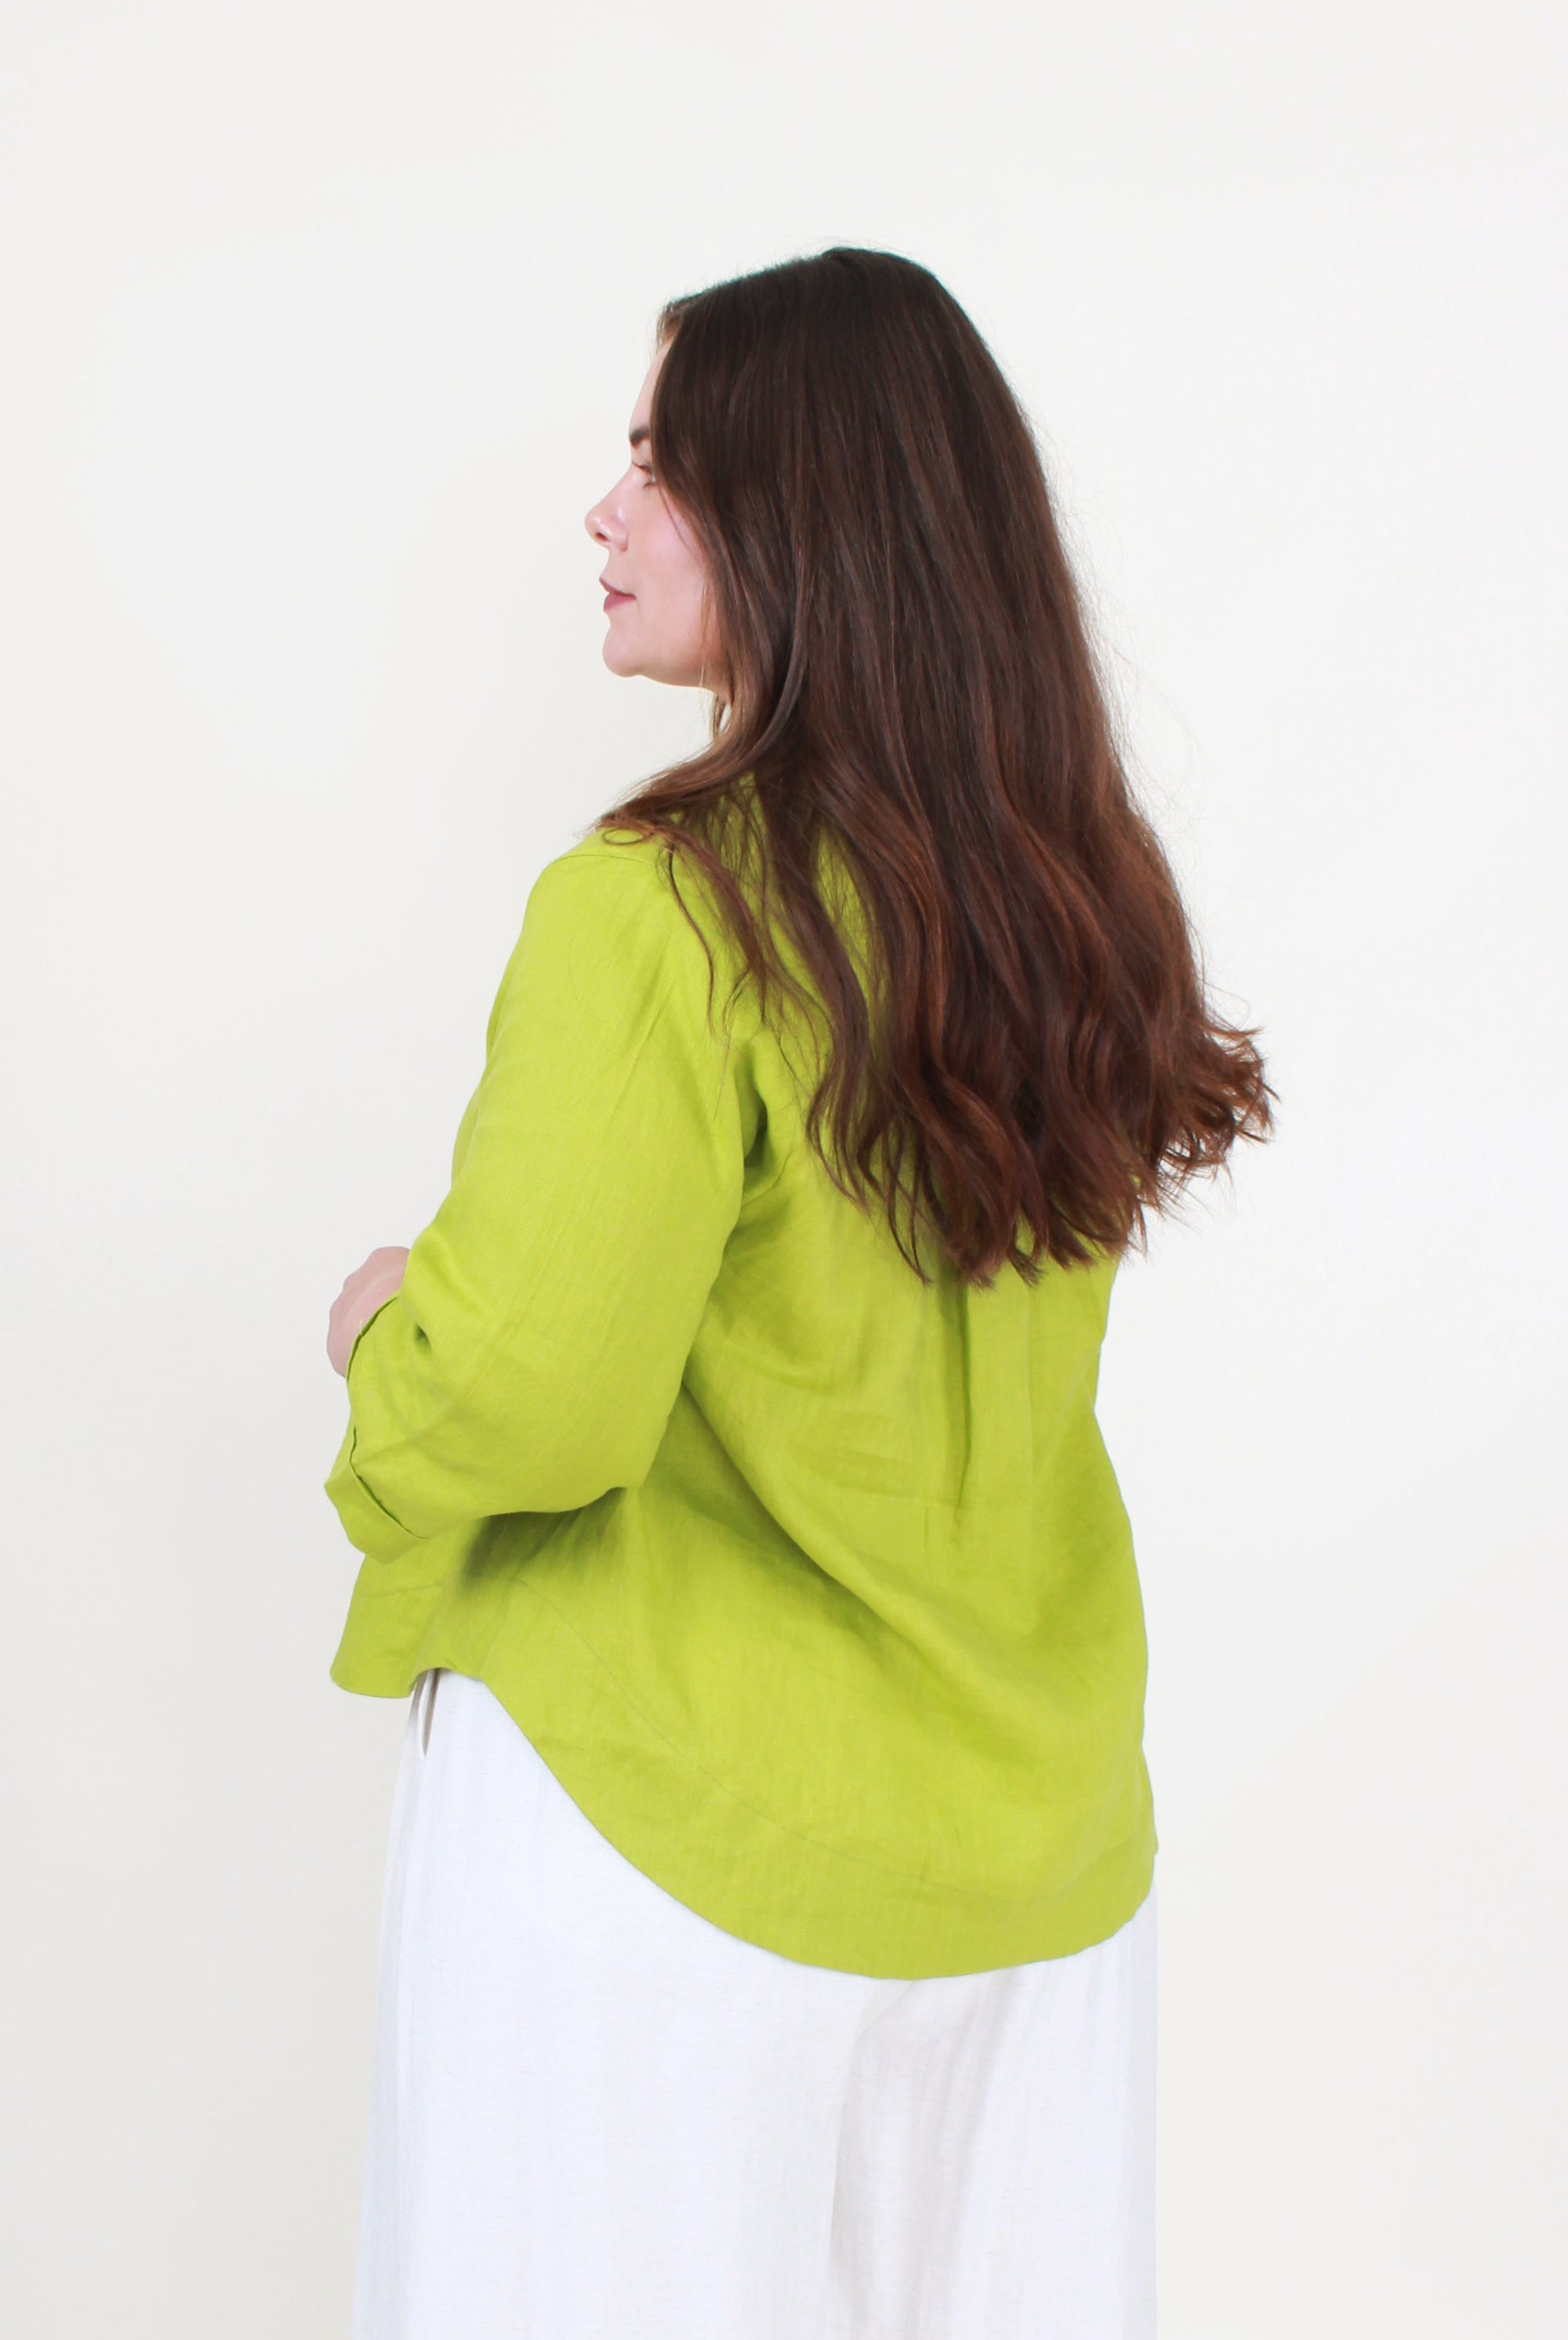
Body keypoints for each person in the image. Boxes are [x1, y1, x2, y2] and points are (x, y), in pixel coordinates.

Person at [324, 247, 1272, 2340]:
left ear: (803, 512)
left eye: (662, 461)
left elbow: (529, 1401)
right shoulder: (1071, 912)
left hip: (657, 1828)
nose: (606, 509)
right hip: (1025, 1849)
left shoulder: (660, 912)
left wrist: (387, 1328)